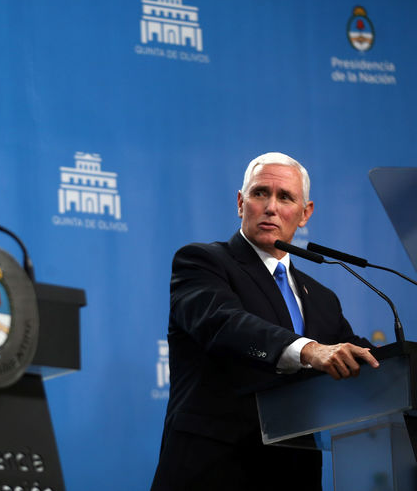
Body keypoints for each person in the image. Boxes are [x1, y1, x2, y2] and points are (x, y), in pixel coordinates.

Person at [150, 152, 379, 491]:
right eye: (260, 193)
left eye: (285, 197)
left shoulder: (320, 297)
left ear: (305, 214)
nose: (271, 207)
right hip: (212, 470)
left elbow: (358, 355)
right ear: (241, 203)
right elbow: (224, 324)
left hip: (292, 473)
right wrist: (309, 350)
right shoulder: (202, 262)